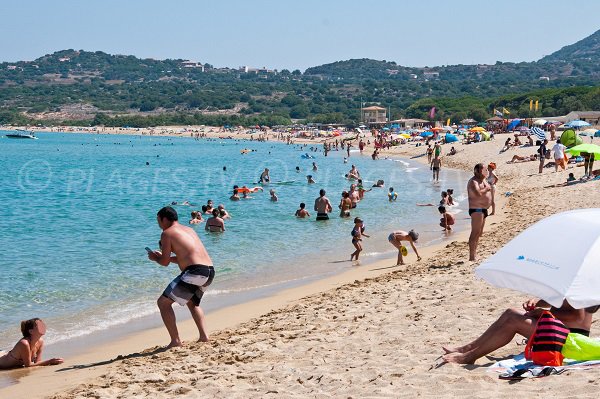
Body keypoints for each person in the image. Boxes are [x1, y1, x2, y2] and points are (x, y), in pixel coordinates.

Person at [442, 299, 597, 364]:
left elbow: (576, 317)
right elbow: (558, 301)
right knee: (510, 312)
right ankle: (467, 348)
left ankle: (469, 357)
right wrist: (537, 301)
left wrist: (541, 313)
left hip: (572, 339)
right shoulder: (571, 279)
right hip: (557, 330)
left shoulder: (582, 285)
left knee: (513, 321)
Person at [148, 207, 215, 347]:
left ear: (164, 219)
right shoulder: (189, 230)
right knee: (193, 303)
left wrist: (155, 258)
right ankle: (204, 336)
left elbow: (164, 262)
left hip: (195, 271)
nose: (158, 224)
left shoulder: (167, 233)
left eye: (158, 220)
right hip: (208, 270)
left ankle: (175, 341)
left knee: (163, 303)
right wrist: (164, 257)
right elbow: (184, 257)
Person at [467, 163, 493, 261]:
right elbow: (478, 194)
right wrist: (486, 189)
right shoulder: (473, 181)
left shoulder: (484, 180)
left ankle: (475, 253)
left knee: (479, 233)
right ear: (477, 171)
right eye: (483, 170)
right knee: (475, 232)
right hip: (476, 209)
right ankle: (472, 256)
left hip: (483, 210)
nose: (485, 172)